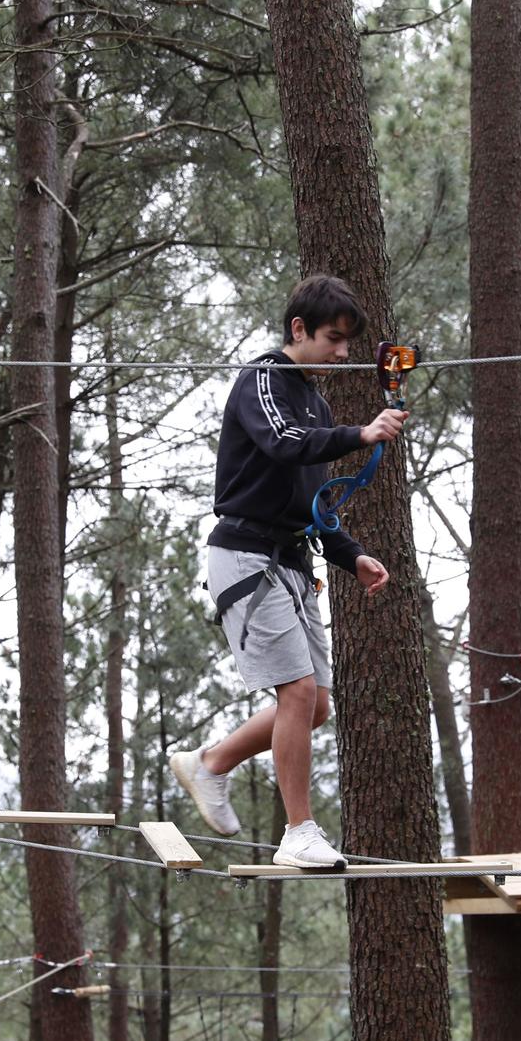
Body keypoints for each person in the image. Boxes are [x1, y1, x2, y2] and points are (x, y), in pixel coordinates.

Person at [168, 275, 405, 869]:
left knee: (317, 703)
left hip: (292, 561)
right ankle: (298, 832)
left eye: (351, 343)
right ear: (298, 330)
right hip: (247, 557)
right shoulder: (264, 378)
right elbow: (283, 441)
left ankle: (211, 762)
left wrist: (351, 556)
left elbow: (313, 505)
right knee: (296, 691)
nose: (344, 354)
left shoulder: (317, 403)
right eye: (334, 339)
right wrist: (360, 433)